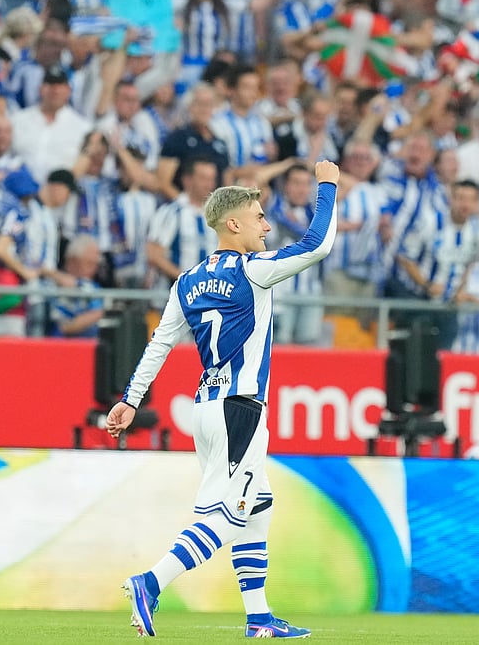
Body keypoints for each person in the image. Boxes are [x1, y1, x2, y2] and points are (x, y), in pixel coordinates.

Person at [105, 160, 340, 639]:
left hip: (207, 411)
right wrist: (327, 187)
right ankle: (152, 581)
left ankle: (259, 618)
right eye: (259, 217)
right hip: (242, 409)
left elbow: (159, 344)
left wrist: (130, 399)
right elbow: (318, 245)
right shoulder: (254, 270)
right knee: (228, 516)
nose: (267, 226)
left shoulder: (187, 281)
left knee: (259, 504)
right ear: (233, 224)